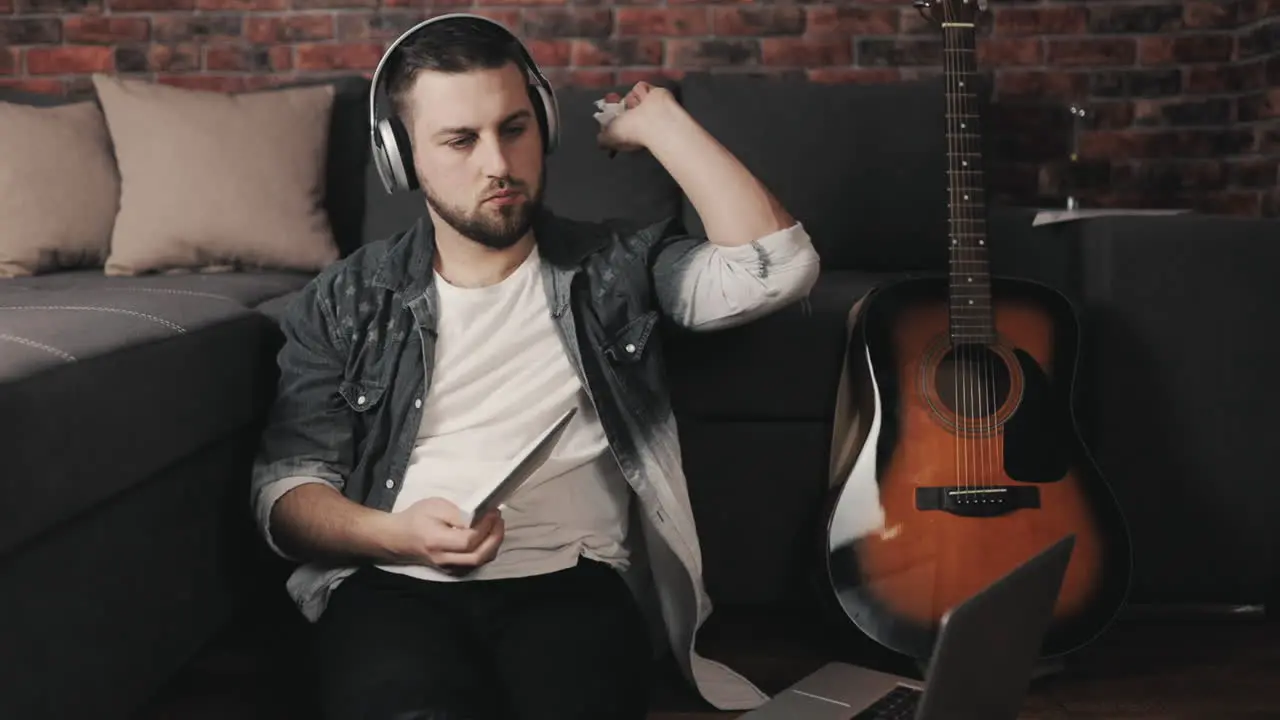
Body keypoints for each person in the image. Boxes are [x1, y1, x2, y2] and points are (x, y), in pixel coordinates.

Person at [249, 13, 821, 720]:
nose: (498, 164)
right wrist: (398, 534)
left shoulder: (616, 269)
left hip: (572, 581)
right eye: (460, 140)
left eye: (514, 128)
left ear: (544, 125)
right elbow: (286, 498)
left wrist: (664, 125)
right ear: (400, 157)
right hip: (390, 580)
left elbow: (778, 270)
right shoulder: (345, 299)